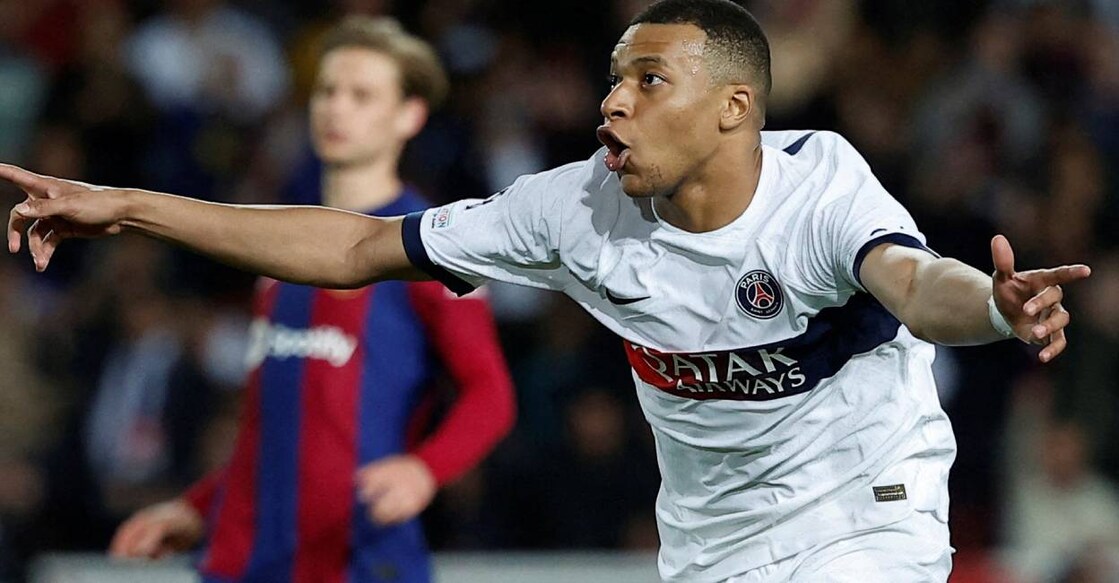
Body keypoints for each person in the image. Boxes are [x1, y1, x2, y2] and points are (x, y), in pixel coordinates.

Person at [4, 0, 1092, 580]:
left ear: (734, 108)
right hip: (710, 543)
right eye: (614, 75)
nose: (612, 100)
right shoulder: (571, 207)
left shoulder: (818, 189)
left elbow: (915, 283)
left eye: (649, 79)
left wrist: (995, 307)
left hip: (868, 512)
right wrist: (129, 204)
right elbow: (351, 247)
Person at [99, 16, 516, 583]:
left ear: (409, 115)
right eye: (327, 91)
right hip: (244, 557)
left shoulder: (432, 246)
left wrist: (424, 470)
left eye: (361, 94)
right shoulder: (276, 245)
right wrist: (196, 507)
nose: (336, 108)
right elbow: (274, 425)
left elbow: (490, 393)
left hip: (360, 558)